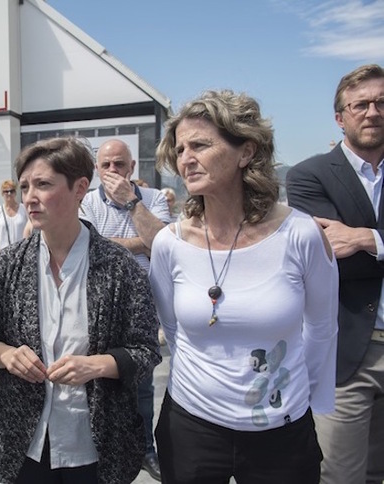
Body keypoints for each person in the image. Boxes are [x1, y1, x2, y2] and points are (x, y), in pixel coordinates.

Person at [150, 90, 338, 483]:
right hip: (191, 427)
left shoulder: (300, 234)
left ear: (246, 152)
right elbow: (174, 331)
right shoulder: (170, 243)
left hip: (281, 429)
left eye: (200, 144)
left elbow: (321, 329)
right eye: (181, 148)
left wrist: (303, 403)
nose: (186, 157)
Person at [0, 137, 161, 484]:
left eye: (43, 184)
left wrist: (98, 365)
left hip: (94, 440)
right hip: (24, 439)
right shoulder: (8, 265)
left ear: (80, 188)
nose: (29, 196)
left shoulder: (119, 267)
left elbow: (147, 351)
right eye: (25, 185)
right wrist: (6, 355)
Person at [286, 64, 384, 484]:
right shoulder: (309, 176)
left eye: (381, 103)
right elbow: (331, 257)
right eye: (360, 104)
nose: (372, 112)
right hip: (350, 352)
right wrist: (361, 244)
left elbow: (353, 246)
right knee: (342, 475)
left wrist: (367, 238)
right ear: (340, 117)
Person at [80, 138, 170, 481]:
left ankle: (145, 448)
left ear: (132, 168)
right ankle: (97, 451)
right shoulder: (87, 203)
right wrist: (140, 244)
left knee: (142, 386)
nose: (113, 171)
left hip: (143, 307)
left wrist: (132, 204)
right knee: (97, 384)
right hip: (98, 307)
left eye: (120, 164)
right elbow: (88, 244)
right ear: (97, 170)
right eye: (106, 165)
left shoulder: (153, 199)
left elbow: (163, 242)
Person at [0, 179, 28, 250]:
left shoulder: (24, 209)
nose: (9, 193)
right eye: (6, 191)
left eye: (12, 191)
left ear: (15, 193)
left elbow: (31, 229)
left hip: (21, 251)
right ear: (2, 194)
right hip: (4, 254)